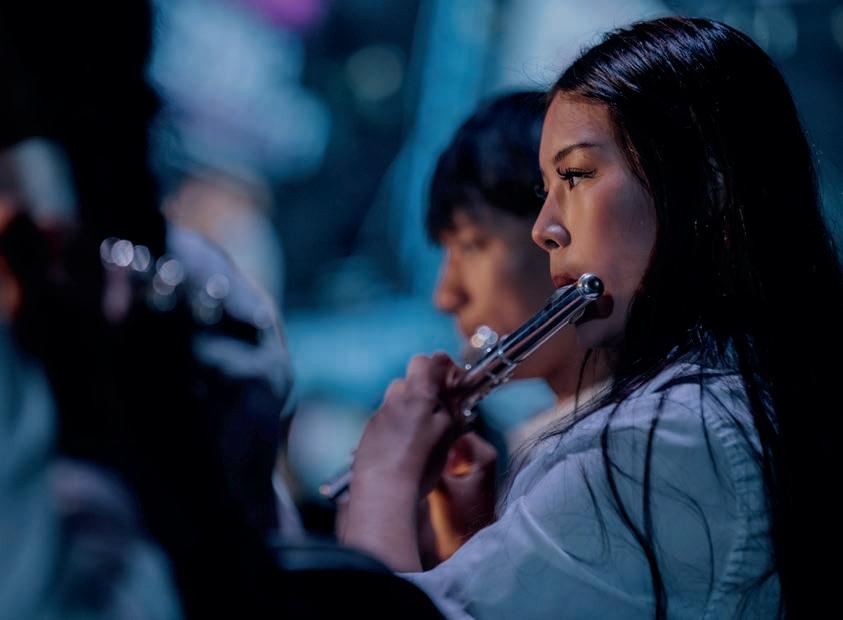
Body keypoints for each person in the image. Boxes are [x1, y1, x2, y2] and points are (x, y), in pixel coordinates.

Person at [339, 16, 843, 618]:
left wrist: (383, 478)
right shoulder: (712, 415)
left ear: (708, 188)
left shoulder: (671, 437)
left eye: (576, 175)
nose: (544, 229)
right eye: (546, 189)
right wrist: (481, 540)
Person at [420, 91, 611, 563]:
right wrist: (464, 541)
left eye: (471, 244)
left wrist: (380, 488)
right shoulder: (546, 439)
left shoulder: (609, 448)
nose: (445, 295)